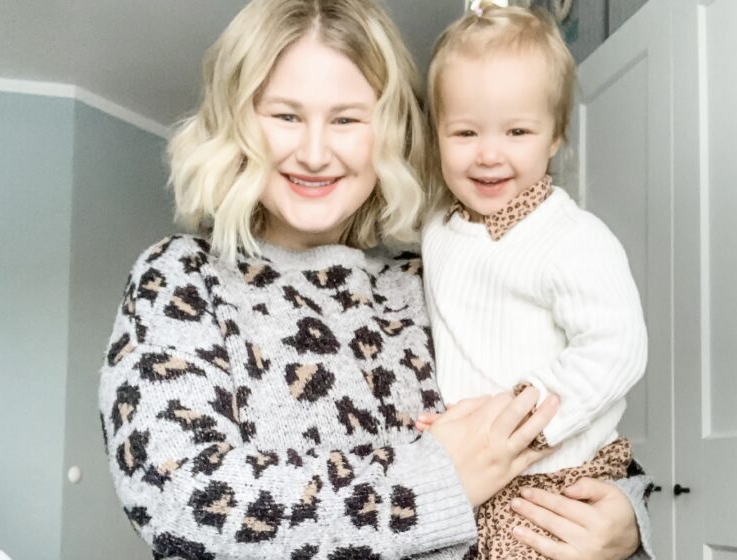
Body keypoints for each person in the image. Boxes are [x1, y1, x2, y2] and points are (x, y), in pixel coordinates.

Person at [98, 0, 652, 558]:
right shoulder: (184, 278)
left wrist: (628, 519)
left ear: (388, 130)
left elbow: (579, 428)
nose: (315, 153)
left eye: (346, 119)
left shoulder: (426, 277)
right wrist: (439, 480)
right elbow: (181, 501)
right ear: (238, 122)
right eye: (286, 115)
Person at [417, 2, 649, 559]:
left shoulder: (571, 237)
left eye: (517, 130)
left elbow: (618, 349)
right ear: (437, 136)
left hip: (555, 477)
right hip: (477, 480)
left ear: (554, 137)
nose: (489, 154)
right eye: (465, 131)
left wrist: (516, 420)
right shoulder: (436, 229)